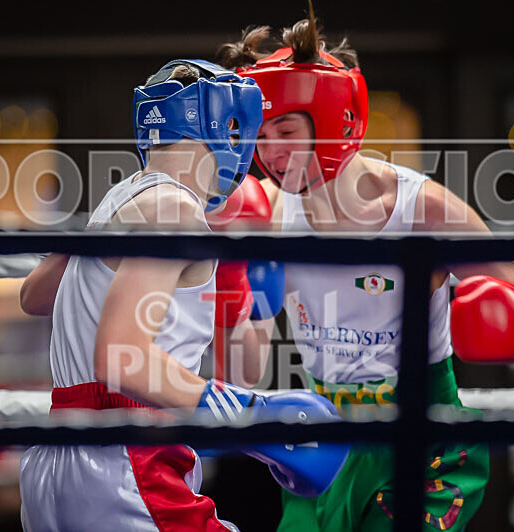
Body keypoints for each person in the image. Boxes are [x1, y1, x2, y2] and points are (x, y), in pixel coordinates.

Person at [215, 10, 514, 532]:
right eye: (260, 136)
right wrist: (238, 308)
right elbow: (239, 378)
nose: (271, 152)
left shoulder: (420, 208)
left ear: (335, 120)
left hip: (422, 436)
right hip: (324, 436)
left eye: (285, 130)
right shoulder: (264, 214)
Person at [17, 59, 347, 531]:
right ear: (221, 126)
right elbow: (122, 358)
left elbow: (33, 295)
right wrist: (252, 416)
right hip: (127, 461)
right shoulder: (175, 210)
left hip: (55, 460)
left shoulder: (121, 199)